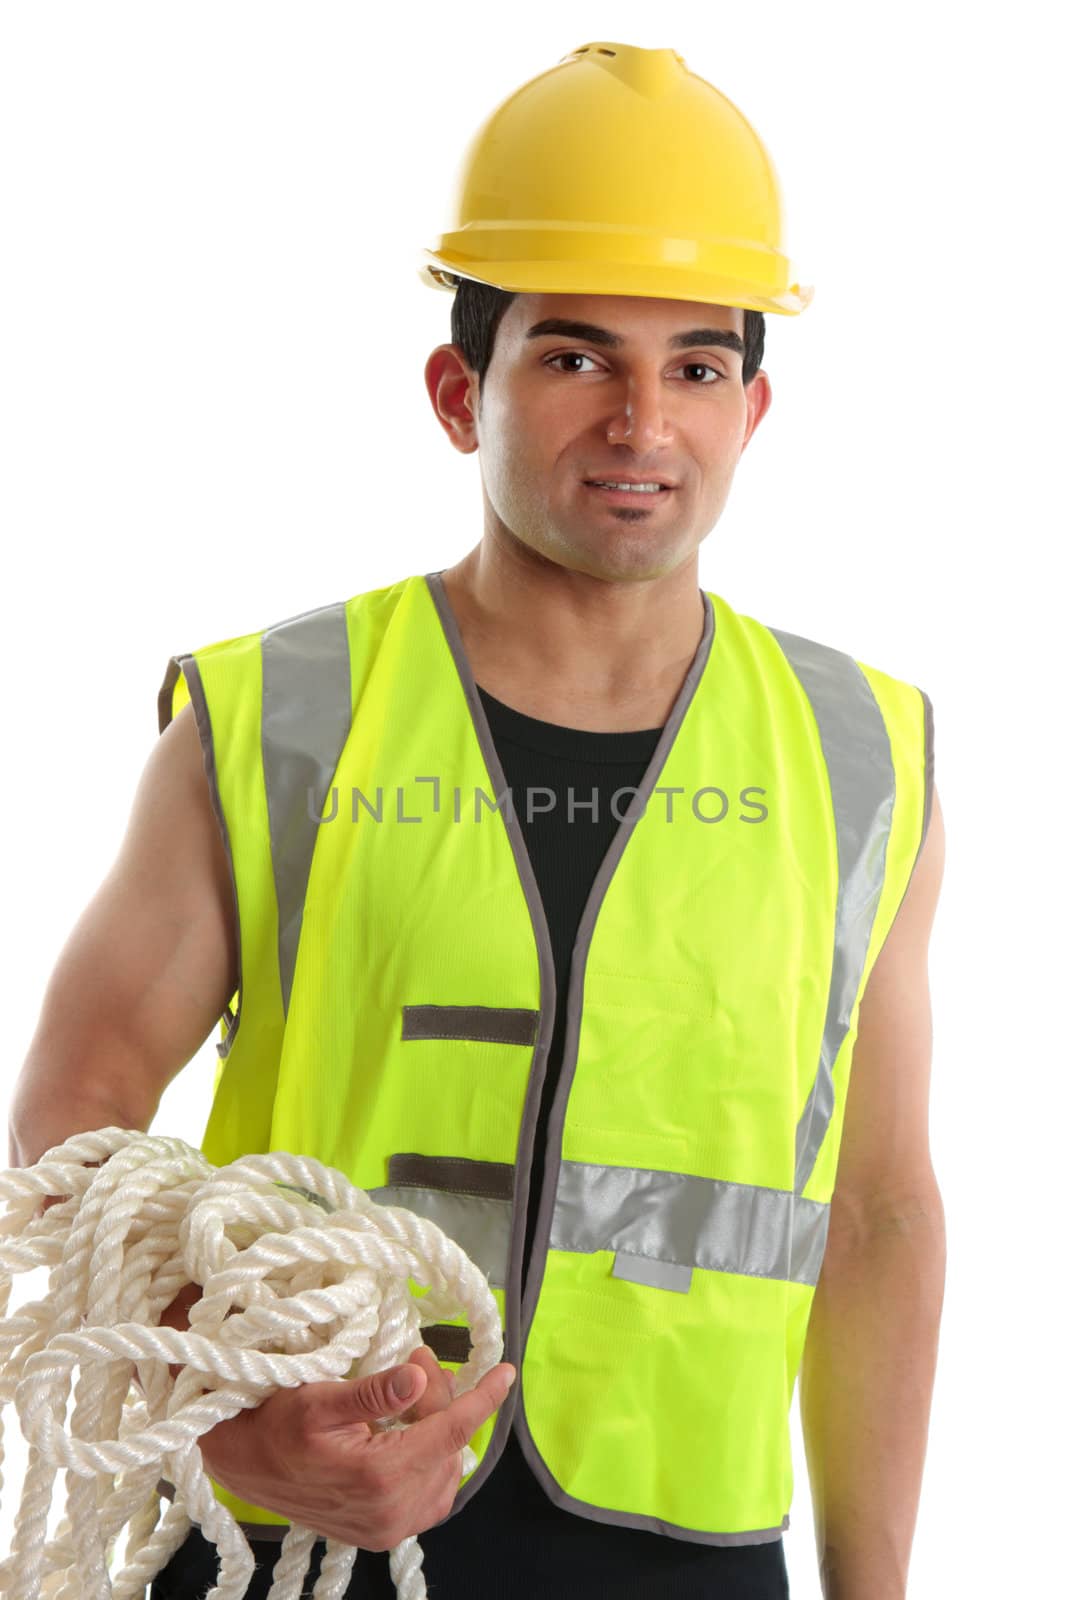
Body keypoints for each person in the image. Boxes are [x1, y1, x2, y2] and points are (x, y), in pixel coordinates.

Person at [9, 40, 947, 1600]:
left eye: (698, 366)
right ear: (462, 392)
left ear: (752, 411)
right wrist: (226, 1415)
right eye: (575, 358)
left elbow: (883, 1211)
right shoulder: (276, 716)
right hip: (296, 1535)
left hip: (691, 1547)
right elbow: (81, 1099)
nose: (644, 421)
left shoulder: (869, 756)